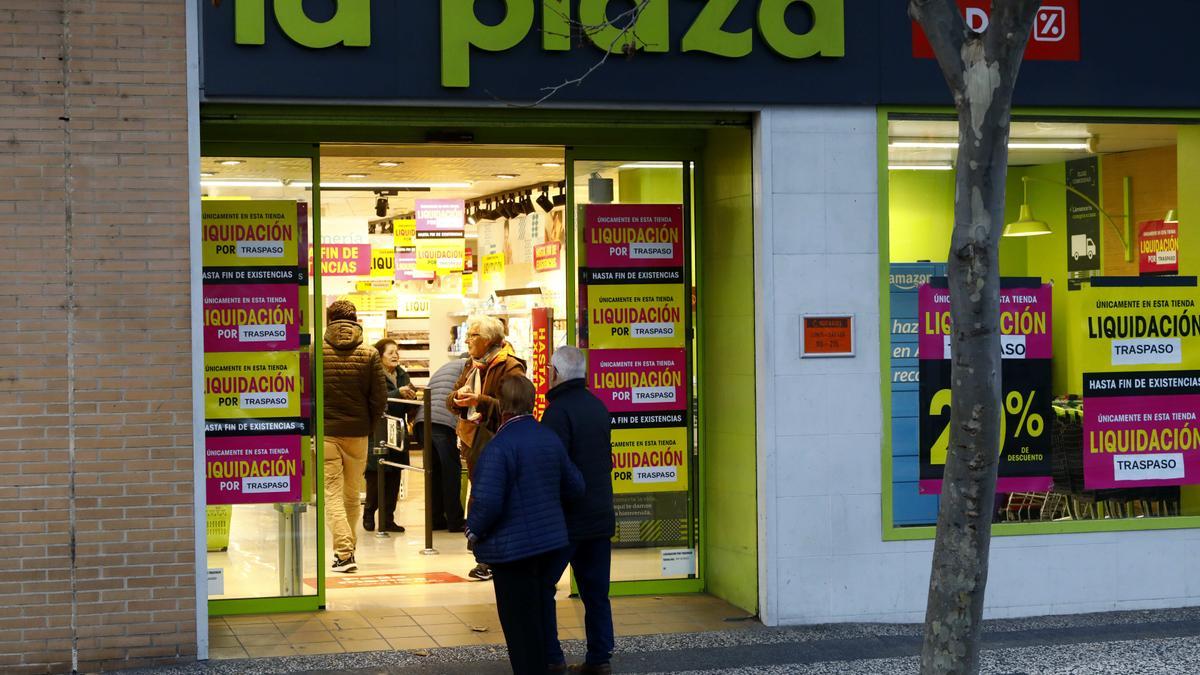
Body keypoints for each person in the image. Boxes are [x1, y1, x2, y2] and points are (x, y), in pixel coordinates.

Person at [465, 377, 584, 675]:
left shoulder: (499, 446)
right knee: (537, 614)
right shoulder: (548, 438)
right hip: (551, 545)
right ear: (532, 403)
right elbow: (575, 486)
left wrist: (473, 530)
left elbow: (488, 502)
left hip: (512, 551)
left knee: (518, 627)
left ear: (502, 406)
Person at [541, 346, 616, 675]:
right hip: (600, 515)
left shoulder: (557, 412)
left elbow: (554, 467)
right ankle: (600, 658)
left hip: (567, 519)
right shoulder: (598, 406)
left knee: (544, 587)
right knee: (596, 593)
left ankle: (552, 657)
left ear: (555, 373)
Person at [449, 314, 526, 581]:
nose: (468, 340)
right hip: (473, 441)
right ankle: (483, 556)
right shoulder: (472, 365)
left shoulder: (510, 366)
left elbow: (513, 407)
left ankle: (488, 559)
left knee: (491, 498)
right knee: (481, 496)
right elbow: (453, 395)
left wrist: (479, 400)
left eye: (473, 335)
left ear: (490, 339)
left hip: (496, 442)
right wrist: (457, 399)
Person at [322, 300, 388, 573]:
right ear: (356, 320)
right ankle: (349, 551)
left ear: (329, 320)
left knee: (331, 493)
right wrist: (369, 426)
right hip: (358, 433)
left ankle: (344, 554)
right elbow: (379, 398)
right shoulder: (370, 354)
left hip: (327, 432)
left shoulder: (317, 351)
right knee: (351, 495)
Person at [363, 338, 412, 534]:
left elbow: (407, 398)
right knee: (376, 474)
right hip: (378, 430)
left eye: (397, 352)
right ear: (380, 355)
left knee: (394, 476)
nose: (395, 355)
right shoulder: (373, 374)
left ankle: (388, 518)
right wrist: (399, 393)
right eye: (391, 352)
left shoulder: (402, 374)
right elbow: (375, 400)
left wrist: (410, 397)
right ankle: (369, 513)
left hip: (398, 430)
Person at [419, 355, 468, 533]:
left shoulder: (447, 366)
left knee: (434, 472)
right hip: (442, 422)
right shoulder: (468, 367)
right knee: (450, 473)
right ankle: (455, 521)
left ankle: (436, 518)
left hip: (422, 420)